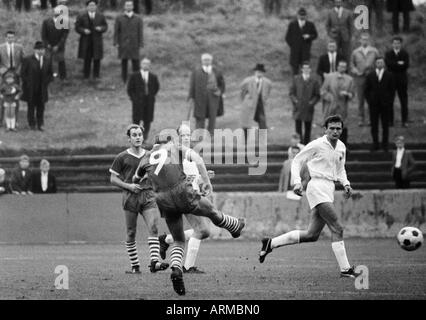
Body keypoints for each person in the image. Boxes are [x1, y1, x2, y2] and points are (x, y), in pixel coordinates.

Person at [133, 132, 245, 295]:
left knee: (178, 240)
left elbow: (136, 180)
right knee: (211, 212)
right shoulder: (174, 147)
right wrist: (207, 182)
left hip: (162, 197)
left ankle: (176, 268)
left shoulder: (146, 158)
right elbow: (198, 159)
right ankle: (234, 226)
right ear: (169, 141)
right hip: (181, 191)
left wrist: (149, 177)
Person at [260, 115, 359, 279]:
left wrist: (346, 183)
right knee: (337, 228)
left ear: (342, 130)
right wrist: (297, 182)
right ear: (325, 129)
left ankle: (271, 243)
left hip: (329, 188)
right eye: (332, 128)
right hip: (317, 186)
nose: (335, 131)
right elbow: (297, 161)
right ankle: (346, 270)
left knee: (312, 235)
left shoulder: (341, 147)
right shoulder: (317, 144)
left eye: (338, 128)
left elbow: (340, 169)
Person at [109, 124, 169, 274]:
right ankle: (135, 267)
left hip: (148, 195)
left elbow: (160, 174)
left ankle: (154, 263)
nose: (137, 137)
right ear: (129, 139)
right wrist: (129, 186)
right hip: (131, 196)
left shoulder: (151, 155)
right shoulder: (122, 157)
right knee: (131, 232)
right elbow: (113, 179)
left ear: (143, 137)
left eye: (139, 135)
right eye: (134, 135)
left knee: (154, 227)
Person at [158, 123, 215, 274]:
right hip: (183, 197)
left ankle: (167, 240)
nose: (186, 138)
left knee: (205, 231)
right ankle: (187, 267)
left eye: (188, 135)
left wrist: (204, 178)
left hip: (193, 195)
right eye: (182, 135)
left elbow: (193, 178)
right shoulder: (176, 154)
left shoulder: (190, 154)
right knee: (202, 229)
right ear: (177, 137)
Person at [187, 53, 225, 138]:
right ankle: (199, 136)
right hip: (200, 97)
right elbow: (192, 85)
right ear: (202, 61)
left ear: (211, 61)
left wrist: (220, 92)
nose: (207, 61)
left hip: (213, 97)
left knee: (212, 116)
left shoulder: (216, 71)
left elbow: (222, 83)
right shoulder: (196, 71)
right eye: (205, 60)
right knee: (200, 116)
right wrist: (191, 96)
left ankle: (211, 135)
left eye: (208, 60)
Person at [21, 41, 53, 131]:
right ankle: (31, 123)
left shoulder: (47, 60)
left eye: (42, 49)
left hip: (42, 88)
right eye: (39, 49)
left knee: (41, 107)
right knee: (31, 107)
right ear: (35, 50)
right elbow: (23, 74)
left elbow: (50, 74)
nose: (41, 51)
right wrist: (28, 83)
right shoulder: (28, 60)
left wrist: (46, 82)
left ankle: (40, 124)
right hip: (31, 88)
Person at [321, 60, 355, 145]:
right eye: (340, 66)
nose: (342, 68)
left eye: (344, 66)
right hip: (330, 107)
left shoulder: (349, 79)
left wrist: (347, 94)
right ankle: (327, 146)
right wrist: (330, 97)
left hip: (342, 107)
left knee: (342, 126)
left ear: (346, 68)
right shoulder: (329, 77)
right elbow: (322, 91)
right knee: (330, 125)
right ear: (337, 67)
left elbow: (352, 94)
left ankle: (343, 147)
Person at [365, 57, 394, 152]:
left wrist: (389, 102)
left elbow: (392, 90)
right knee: (374, 125)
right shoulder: (370, 75)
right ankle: (375, 144)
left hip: (385, 104)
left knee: (385, 125)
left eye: (381, 62)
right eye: (378, 62)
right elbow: (366, 90)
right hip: (373, 104)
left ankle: (385, 145)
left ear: (384, 64)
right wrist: (370, 101)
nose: (379, 64)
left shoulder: (389, 75)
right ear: (375, 64)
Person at [350, 32, 380, 127]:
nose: (364, 41)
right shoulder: (355, 52)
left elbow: (379, 62)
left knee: (372, 99)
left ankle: (372, 118)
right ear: (360, 40)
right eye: (363, 39)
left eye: (366, 39)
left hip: (372, 79)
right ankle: (361, 119)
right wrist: (356, 71)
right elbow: (351, 65)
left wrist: (376, 73)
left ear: (369, 40)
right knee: (360, 99)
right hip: (360, 78)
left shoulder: (374, 51)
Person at [127, 57, 159, 140]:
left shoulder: (153, 77)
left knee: (147, 120)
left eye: (147, 64)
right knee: (136, 120)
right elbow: (130, 89)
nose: (146, 65)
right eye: (144, 63)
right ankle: (135, 137)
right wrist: (134, 99)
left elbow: (156, 88)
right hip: (137, 102)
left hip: (149, 102)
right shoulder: (134, 76)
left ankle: (144, 138)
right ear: (141, 65)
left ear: (150, 65)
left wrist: (151, 96)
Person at [75, 0, 108, 80]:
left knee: (97, 58)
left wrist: (101, 28)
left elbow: (105, 26)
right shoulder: (81, 16)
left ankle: (96, 75)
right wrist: (83, 30)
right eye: (90, 5)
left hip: (97, 41)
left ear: (96, 6)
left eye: (93, 5)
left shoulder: (101, 16)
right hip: (86, 41)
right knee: (87, 58)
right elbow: (77, 27)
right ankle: (86, 75)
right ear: (87, 7)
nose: (92, 7)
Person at [289, 62, 321, 145]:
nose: (306, 70)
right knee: (298, 126)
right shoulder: (296, 79)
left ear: (310, 70)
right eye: (304, 68)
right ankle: (298, 144)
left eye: (308, 68)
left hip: (308, 107)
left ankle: (306, 144)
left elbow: (317, 95)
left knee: (308, 127)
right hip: (298, 107)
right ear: (302, 69)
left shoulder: (314, 80)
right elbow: (291, 93)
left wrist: (311, 103)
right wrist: (295, 101)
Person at [239, 63, 272, 142]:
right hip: (249, 104)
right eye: (258, 72)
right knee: (246, 122)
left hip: (260, 105)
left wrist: (264, 99)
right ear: (255, 72)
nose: (259, 73)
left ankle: (262, 140)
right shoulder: (247, 81)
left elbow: (267, 92)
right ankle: (245, 139)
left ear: (263, 73)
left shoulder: (267, 82)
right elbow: (242, 91)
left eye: (261, 72)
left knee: (262, 121)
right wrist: (245, 101)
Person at [113, 0, 144, 83]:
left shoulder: (138, 18)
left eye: (130, 5)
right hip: (123, 43)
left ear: (133, 7)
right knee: (124, 62)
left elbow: (140, 32)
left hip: (135, 44)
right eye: (127, 5)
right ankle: (124, 80)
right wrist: (115, 42)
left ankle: (136, 81)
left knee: (136, 63)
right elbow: (116, 31)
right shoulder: (119, 18)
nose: (128, 7)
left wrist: (141, 43)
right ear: (124, 7)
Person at [0, 31, 24, 126]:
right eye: (9, 37)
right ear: (6, 38)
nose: (10, 39)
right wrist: (2, 70)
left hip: (15, 72)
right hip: (4, 72)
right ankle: (2, 119)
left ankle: (15, 120)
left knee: (15, 95)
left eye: (12, 37)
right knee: (4, 95)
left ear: (14, 38)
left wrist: (19, 71)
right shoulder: (1, 48)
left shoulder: (19, 47)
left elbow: (23, 60)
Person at [285, 8, 318, 75]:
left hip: (305, 52)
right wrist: (293, 46)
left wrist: (309, 36)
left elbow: (315, 35)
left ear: (306, 16)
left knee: (305, 71)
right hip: (295, 52)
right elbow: (287, 37)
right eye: (300, 15)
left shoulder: (310, 25)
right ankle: (295, 85)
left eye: (303, 15)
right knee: (295, 71)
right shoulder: (292, 24)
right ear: (297, 15)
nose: (302, 16)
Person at [385, 36, 409, 127]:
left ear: (401, 44)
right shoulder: (388, 53)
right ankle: (390, 121)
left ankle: (404, 121)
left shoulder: (405, 53)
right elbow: (388, 64)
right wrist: (398, 63)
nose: (396, 44)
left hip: (402, 81)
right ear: (392, 44)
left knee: (404, 101)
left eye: (398, 43)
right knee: (390, 101)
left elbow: (406, 65)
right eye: (394, 43)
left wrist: (394, 64)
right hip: (391, 81)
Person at [41, 6, 69, 81]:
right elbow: (43, 35)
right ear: (53, 12)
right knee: (47, 61)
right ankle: (48, 77)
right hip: (48, 45)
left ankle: (63, 77)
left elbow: (65, 35)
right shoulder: (46, 21)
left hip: (59, 45)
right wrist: (47, 44)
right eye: (56, 11)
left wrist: (58, 45)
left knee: (61, 61)